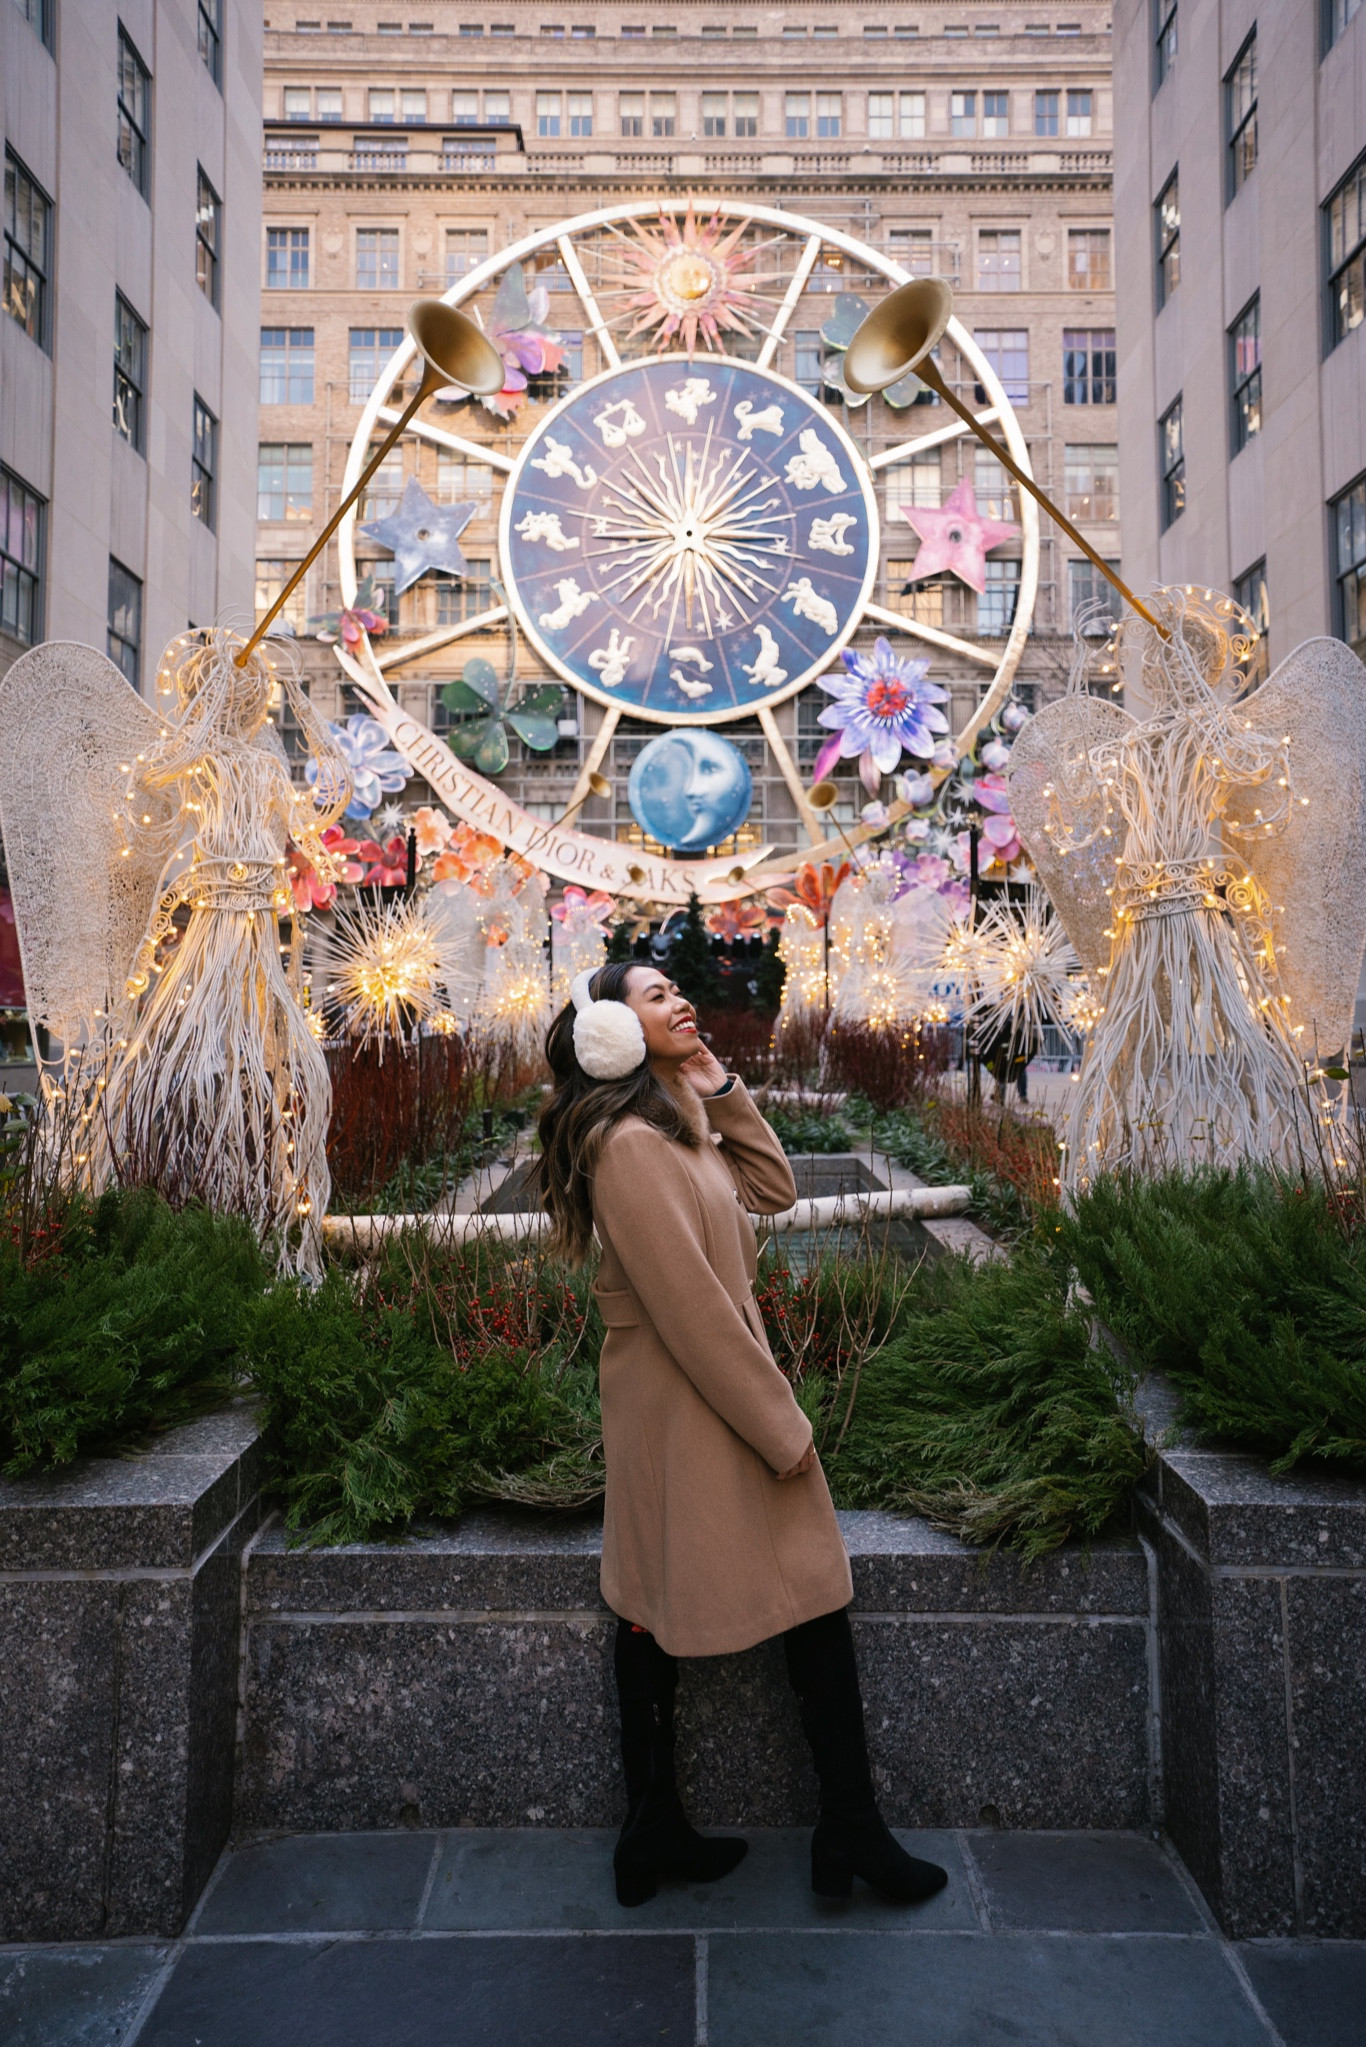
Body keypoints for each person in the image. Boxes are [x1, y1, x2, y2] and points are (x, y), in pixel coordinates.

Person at [537, 960, 947, 1910]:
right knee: (679, 1598)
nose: (679, 999)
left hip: (702, 1397)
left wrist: (718, 1084)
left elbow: (770, 1188)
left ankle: (790, 1825)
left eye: (677, 988)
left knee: (762, 1593)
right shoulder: (628, 1145)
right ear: (613, 1031)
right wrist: (782, 1428)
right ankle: (697, 1825)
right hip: (686, 1406)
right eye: (654, 995)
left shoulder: (675, 1125)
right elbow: (692, 1314)